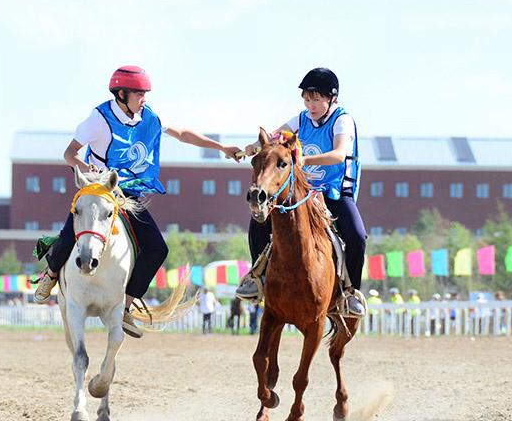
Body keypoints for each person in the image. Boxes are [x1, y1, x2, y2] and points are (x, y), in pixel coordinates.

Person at [33, 65, 242, 338]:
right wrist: (87, 169)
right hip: (98, 190)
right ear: (121, 94)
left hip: (128, 194)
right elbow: (69, 153)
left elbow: (182, 133)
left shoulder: (149, 116)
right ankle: (50, 274)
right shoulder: (99, 118)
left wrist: (222, 148)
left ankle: (125, 307)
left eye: (145, 94)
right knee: (73, 233)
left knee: (158, 248)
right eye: (139, 94)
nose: (144, 98)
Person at [235, 67, 367, 317]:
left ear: (332, 99)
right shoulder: (301, 119)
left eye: (316, 99)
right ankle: (257, 278)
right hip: (304, 192)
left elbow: (339, 154)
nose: (311, 105)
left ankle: (351, 293)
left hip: (334, 191)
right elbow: (275, 135)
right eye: (307, 99)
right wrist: (254, 147)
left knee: (357, 236)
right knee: (260, 218)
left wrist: (305, 160)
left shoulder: (342, 120)